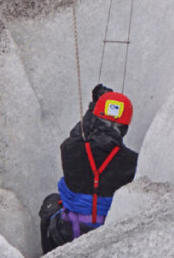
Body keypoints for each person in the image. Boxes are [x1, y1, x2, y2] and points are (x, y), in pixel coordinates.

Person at [39, 84, 139, 253]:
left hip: (67, 233)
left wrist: (95, 107)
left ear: (96, 120)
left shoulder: (71, 149)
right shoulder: (132, 162)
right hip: (107, 234)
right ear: (125, 128)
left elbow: (79, 134)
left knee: (50, 203)